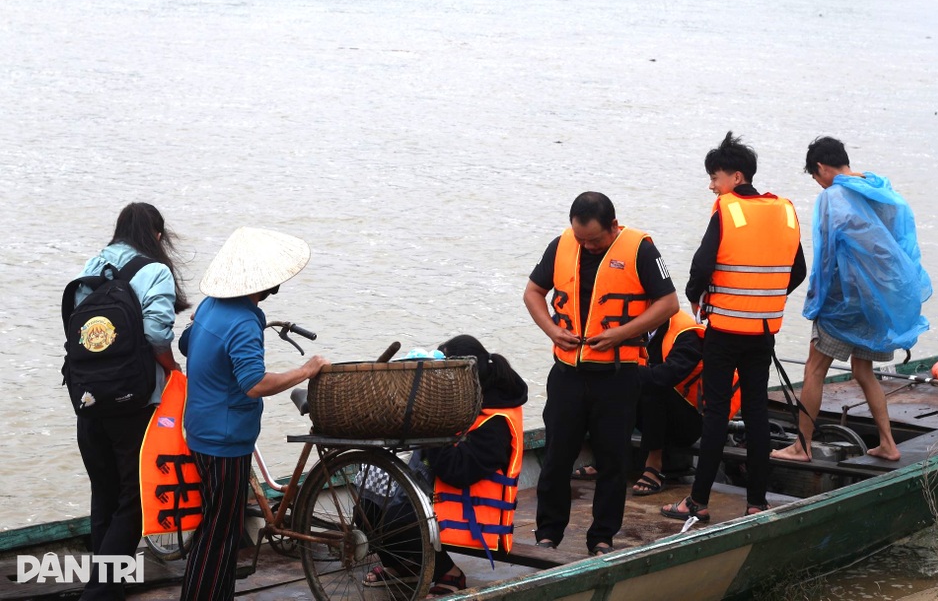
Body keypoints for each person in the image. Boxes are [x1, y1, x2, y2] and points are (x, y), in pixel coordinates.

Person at [524, 192, 679, 555]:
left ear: (613, 226)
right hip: (567, 374)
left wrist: (620, 334)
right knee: (557, 457)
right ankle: (548, 533)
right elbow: (533, 292)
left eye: (594, 239)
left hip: (617, 375)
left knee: (613, 462)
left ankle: (602, 537)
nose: (588, 246)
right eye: (581, 240)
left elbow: (669, 303)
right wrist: (551, 329)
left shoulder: (640, 249)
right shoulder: (562, 245)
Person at [179, 227, 329, 601]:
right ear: (268, 285)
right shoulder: (245, 322)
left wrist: (199, 322)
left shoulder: (211, 306)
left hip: (198, 429)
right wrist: (305, 371)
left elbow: (185, 344)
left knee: (214, 523)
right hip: (225, 439)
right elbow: (254, 383)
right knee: (222, 532)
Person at [663, 132, 805, 522]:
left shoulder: (726, 209)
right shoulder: (786, 210)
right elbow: (799, 272)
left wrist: (696, 295)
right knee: (757, 414)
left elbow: (702, 265)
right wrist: (764, 296)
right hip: (763, 331)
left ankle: (696, 502)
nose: (712, 185)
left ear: (736, 177)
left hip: (724, 330)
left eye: (715, 176)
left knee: (716, 415)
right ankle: (756, 501)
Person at [772, 137, 932, 463]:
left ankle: (801, 446)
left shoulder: (834, 197)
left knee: (814, 369)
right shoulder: (879, 189)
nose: (818, 184)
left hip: (842, 303)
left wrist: (817, 300)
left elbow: (829, 253)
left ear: (820, 167)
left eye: (815, 177)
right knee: (864, 371)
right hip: (878, 302)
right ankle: (888, 443)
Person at [71, 202, 190, 601]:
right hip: (134, 404)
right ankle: (100, 593)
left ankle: (107, 586)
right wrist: (173, 370)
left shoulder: (90, 265)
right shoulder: (154, 271)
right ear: (157, 235)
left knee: (103, 493)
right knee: (135, 500)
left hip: (87, 398)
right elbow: (158, 333)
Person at [360, 335, 529, 597]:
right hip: (439, 492)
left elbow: (458, 471)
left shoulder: (497, 422)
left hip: (470, 512)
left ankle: (450, 573)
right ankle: (405, 564)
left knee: (396, 519)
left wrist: (429, 430)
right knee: (366, 505)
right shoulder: (465, 403)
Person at [631, 311, 741, 496]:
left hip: (690, 420)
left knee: (654, 386)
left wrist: (623, 374)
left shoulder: (686, 334)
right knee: (607, 384)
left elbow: (666, 376)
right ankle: (605, 459)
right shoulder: (628, 325)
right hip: (650, 414)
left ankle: (654, 466)